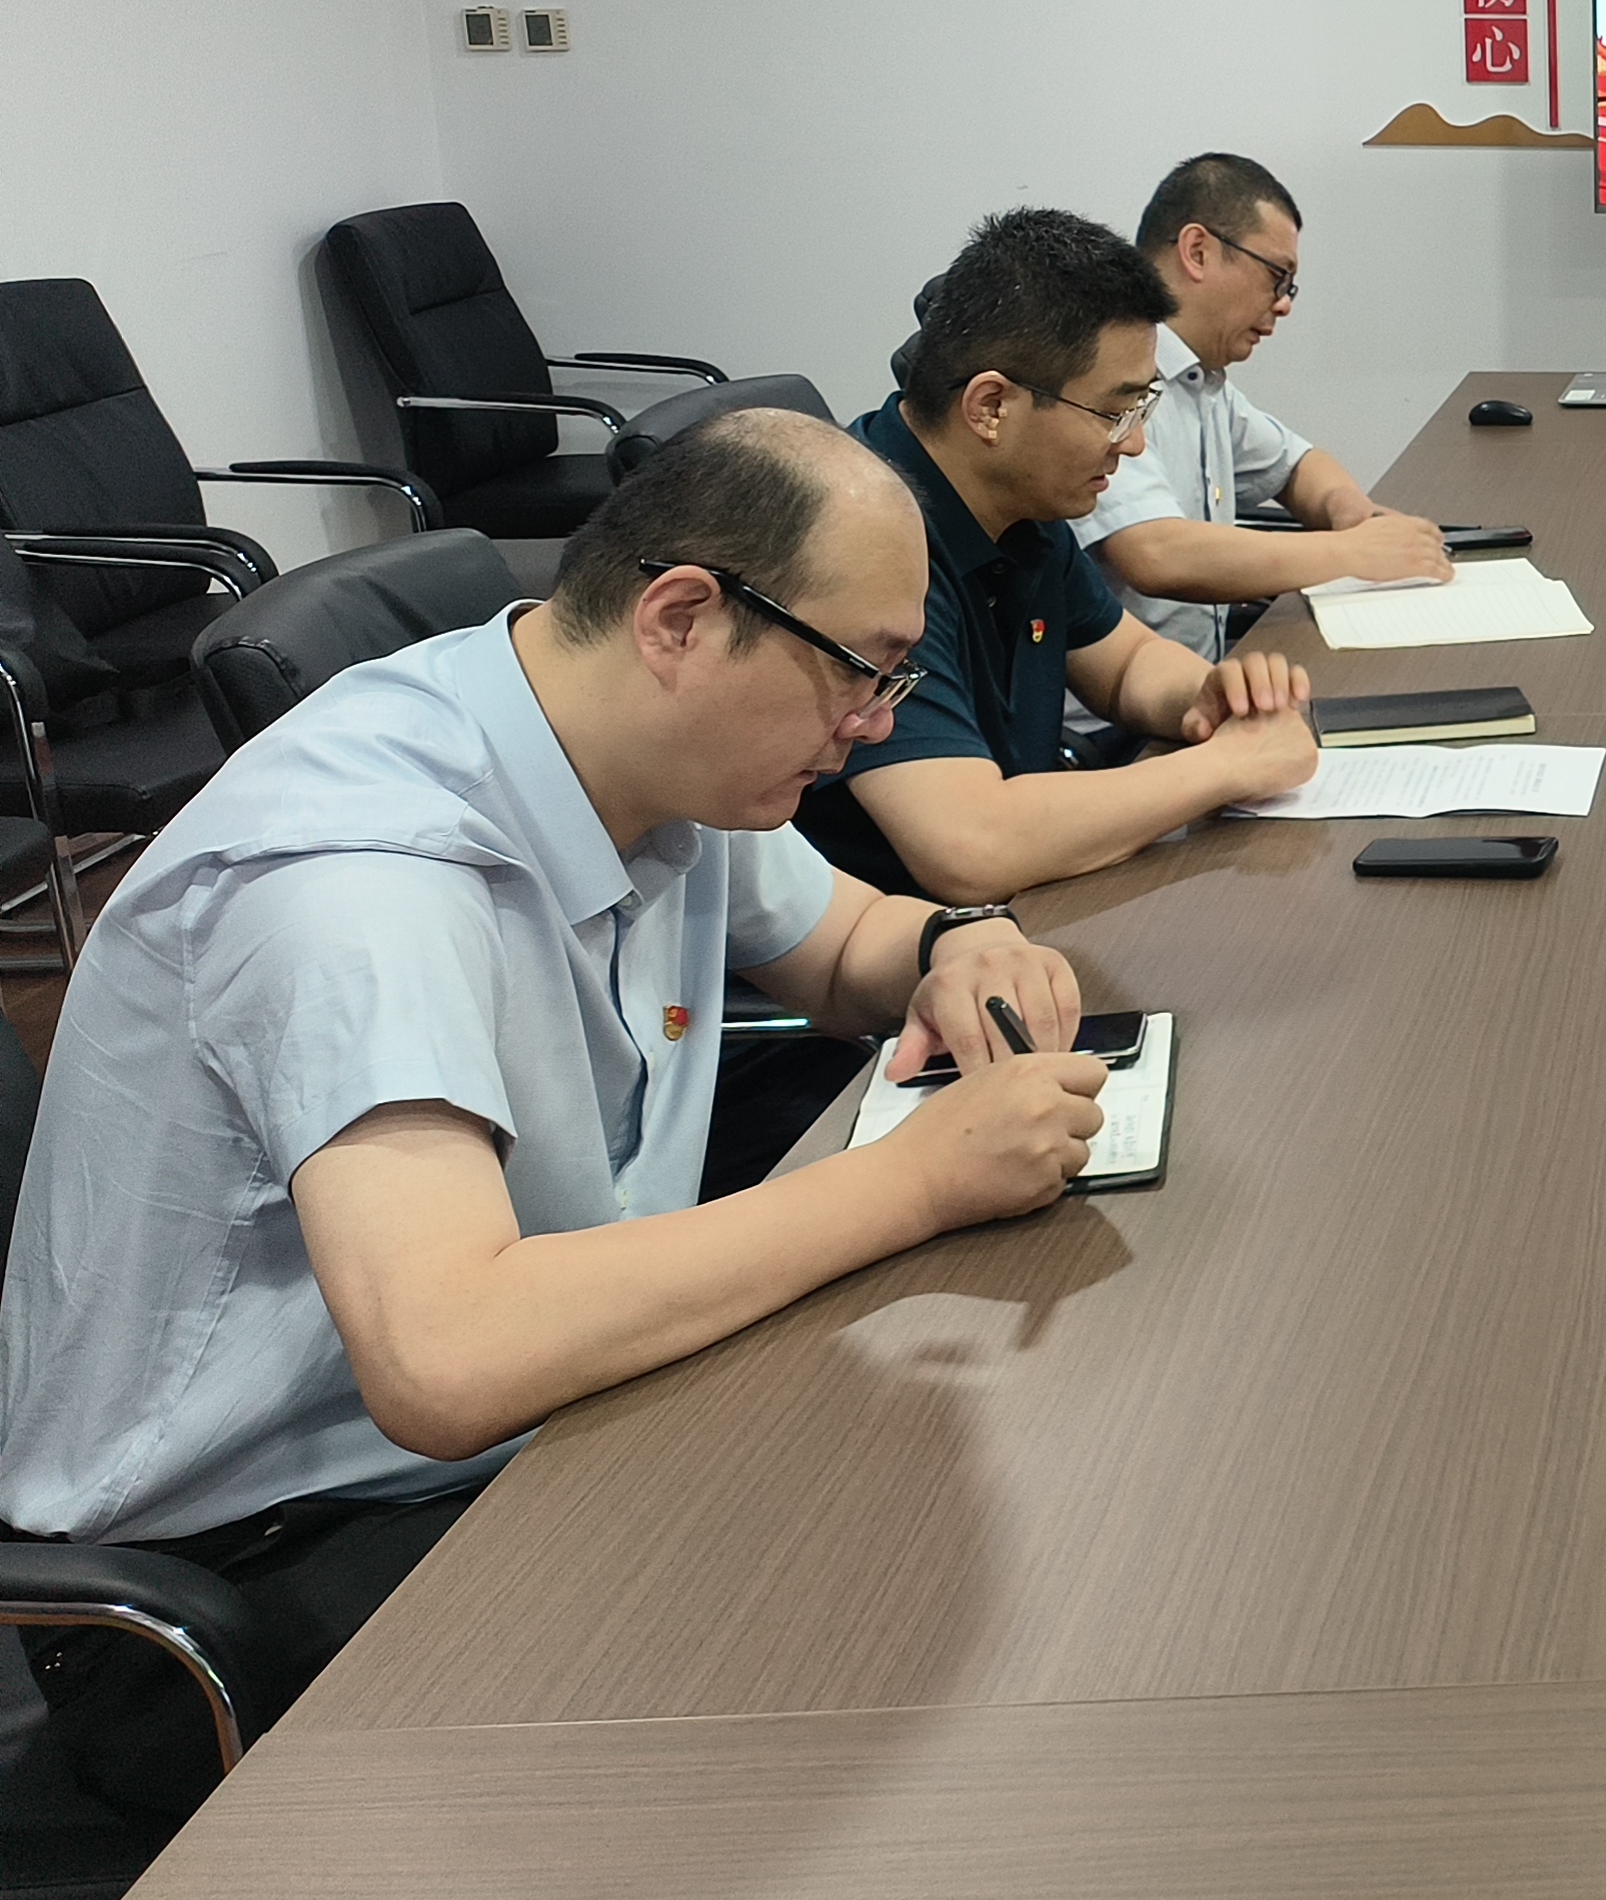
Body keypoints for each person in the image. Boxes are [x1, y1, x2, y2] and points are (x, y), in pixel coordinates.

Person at [0, 411, 1115, 1813]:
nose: (875, 723)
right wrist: (917, 1182)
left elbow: (843, 948)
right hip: (240, 1581)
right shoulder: (357, 882)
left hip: (518, 1432)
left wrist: (957, 941)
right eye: (861, 671)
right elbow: (449, 1360)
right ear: (682, 619)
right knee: (868, 1680)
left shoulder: (633, 745)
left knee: (952, 1524)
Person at [800, 207, 1321, 904]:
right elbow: (969, 847)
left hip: (1025, 906)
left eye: (1143, 408)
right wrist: (1230, 765)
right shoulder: (864, 544)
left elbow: (1126, 664)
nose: (1133, 444)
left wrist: (1206, 697)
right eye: (1114, 413)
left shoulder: (1020, 502)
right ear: (991, 407)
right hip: (902, 939)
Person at [1085, 151, 1449, 669]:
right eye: (1277, 276)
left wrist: (1350, 512)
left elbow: (1297, 464)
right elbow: (1156, 552)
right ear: (1197, 251)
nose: (1284, 303)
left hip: (1195, 681)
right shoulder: (1105, 377)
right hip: (1124, 705)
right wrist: (1356, 553)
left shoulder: (1202, 383)